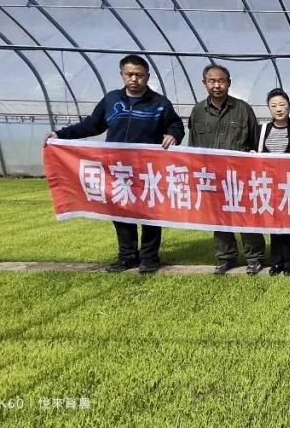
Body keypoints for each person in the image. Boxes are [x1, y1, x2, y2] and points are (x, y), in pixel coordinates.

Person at [44, 54, 184, 274]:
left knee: (150, 213)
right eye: (129, 74)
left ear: (147, 76)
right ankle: (127, 256)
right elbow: (92, 125)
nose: (134, 79)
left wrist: (173, 135)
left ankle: (149, 257)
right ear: (122, 75)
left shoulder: (160, 103)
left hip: (148, 171)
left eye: (139, 75)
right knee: (121, 212)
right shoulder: (111, 100)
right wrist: (60, 135)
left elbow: (176, 125)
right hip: (117, 170)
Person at [188, 64, 265, 276]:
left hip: (241, 176)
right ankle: (225, 257)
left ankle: (254, 258)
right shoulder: (198, 112)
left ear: (228, 83)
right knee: (219, 217)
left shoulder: (243, 109)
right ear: (204, 83)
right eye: (212, 81)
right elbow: (193, 146)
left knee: (247, 217)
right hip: (212, 176)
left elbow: (255, 143)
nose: (217, 85)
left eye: (221, 81)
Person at [255, 88, 290, 276]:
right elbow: (253, 151)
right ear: (269, 109)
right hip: (269, 184)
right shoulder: (262, 130)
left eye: (282, 104)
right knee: (274, 224)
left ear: (289, 106)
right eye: (273, 106)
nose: (278, 109)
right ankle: (276, 262)